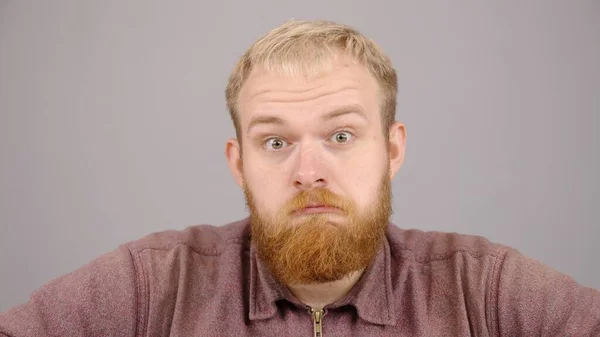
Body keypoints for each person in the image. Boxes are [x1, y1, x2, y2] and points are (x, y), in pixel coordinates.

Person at [1, 19, 598, 337]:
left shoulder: (481, 292)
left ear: (392, 150)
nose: (308, 172)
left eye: (341, 136)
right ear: (239, 163)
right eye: (276, 142)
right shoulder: (154, 286)